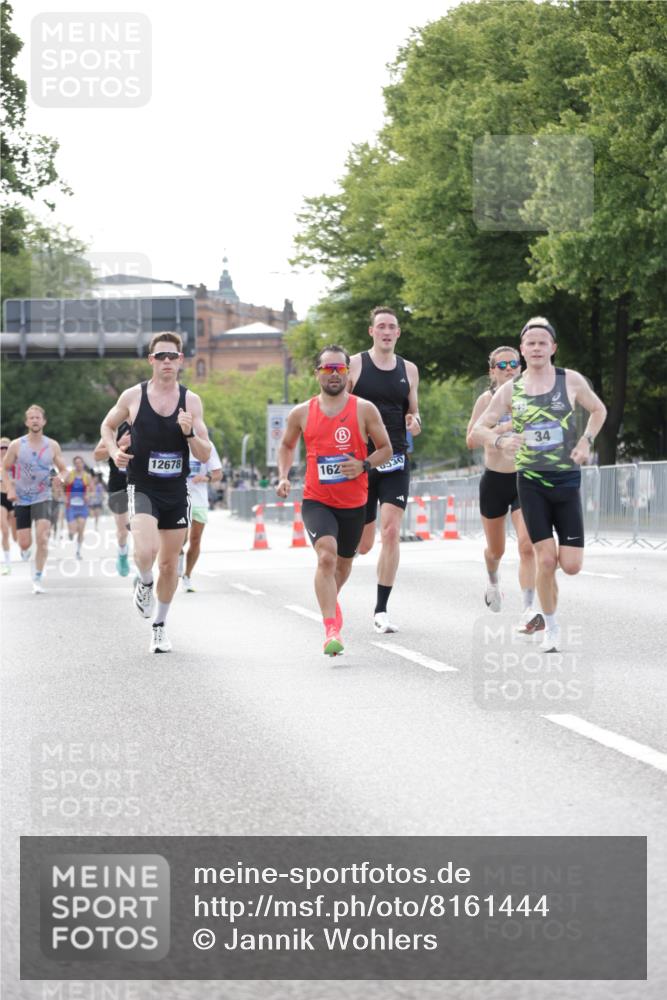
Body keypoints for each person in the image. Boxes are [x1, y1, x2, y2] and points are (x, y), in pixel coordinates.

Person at [473, 317, 607, 652]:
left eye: (542, 342)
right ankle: (550, 626)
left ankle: (546, 607)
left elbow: (598, 410)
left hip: (565, 480)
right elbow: (479, 429)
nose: (535, 348)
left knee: (572, 566)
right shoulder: (509, 390)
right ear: (523, 349)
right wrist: (500, 440)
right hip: (530, 482)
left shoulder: (570, 380)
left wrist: (587, 441)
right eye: (530, 343)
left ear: (553, 348)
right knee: (543, 559)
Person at [277, 345, 392, 656]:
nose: (334, 374)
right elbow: (287, 445)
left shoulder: (363, 409)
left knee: (342, 565)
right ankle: (330, 629)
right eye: (327, 369)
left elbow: (386, 449)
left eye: (340, 369)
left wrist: (364, 464)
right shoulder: (301, 413)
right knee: (325, 557)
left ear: (348, 374)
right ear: (317, 373)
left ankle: (330, 603)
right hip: (317, 499)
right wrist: (284, 475)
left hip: (354, 501)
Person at [100, 333, 211, 653]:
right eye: (160, 356)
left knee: (170, 565)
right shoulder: (133, 396)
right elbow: (107, 426)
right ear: (151, 360)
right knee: (146, 553)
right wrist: (112, 450)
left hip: (176, 489)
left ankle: (159, 627)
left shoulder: (191, 401)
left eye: (172, 357)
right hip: (143, 485)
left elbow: (204, 454)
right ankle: (144, 583)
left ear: (180, 361)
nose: (166, 362)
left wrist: (189, 433)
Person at [348, 306, 421, 634]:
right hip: (361, 463)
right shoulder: (355, 365)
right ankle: (331, 582)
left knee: (391, 531)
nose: (387, 331)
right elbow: (337, 406)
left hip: (396, 459)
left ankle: (381, 609)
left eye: (392, 326)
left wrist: (414, 422)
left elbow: (415, 413)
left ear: (398, 332)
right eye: (381, 326)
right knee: (361, 545)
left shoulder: (409, 369)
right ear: (372, 332)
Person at [466, 346, 539, 630]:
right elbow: (471, 439)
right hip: (495, 481)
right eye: (502, 364)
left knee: (527, 545)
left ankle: (529, 608)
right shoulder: (487, 400)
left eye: (514, 364)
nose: (509, 368)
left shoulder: (533, 396)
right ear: (492, 371)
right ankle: (493, 580)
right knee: (496, 550)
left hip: (524, 479)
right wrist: (500, 429)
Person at [1, 405, 67, 593]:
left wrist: (60, 479)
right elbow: (4, 469)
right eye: (31, 418)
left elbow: (63, 469)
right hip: (22, 498)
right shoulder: (16, 445)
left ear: (43, 421)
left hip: (43, 496)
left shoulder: (52, 445)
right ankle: (24, 551)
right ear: (26, 422)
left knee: (43, 538)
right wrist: (10, 488)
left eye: (38, 417)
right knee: (24, 542)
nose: (35, 420)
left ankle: (37, 576)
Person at [180, 438, 223, 592]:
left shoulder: (206, 444)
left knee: (195, 540)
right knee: (180, 538)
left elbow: (218, 474)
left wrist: (205, 478)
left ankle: (187, 576)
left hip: (199, 499)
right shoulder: (172, 438)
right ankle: (176, 558)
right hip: (177, 498)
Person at [93, 421, 132, 577]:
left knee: (140, 527)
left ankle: (144, 564)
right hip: (118, 485)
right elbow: (96, 455)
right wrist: (117, 445)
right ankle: (122, 554)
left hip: (143, 482)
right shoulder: (115, 428)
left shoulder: (147, 422)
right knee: (123, 530)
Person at [64, 456, 92, 559]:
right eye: (76, 463)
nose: (78, 464)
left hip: (82, 506)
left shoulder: (87, 476)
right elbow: (63, 487)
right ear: (74, 464)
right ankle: (71, 534)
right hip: (71, 506)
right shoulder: (70, 475)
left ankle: (78, 551)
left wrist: (88, 496)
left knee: (81, 529)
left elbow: (90, 489)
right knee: (73, 531)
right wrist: (64, 497)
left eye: (80, 462)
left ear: (83, 464)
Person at [0, 436, 17, 575]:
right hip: (1, 497)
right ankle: (7, 563)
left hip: (14, 497)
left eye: (7, 447)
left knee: (16, 533)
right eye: (1, 447)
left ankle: (24, 548)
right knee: (4, 530)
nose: (4, 450)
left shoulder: (16, 463)